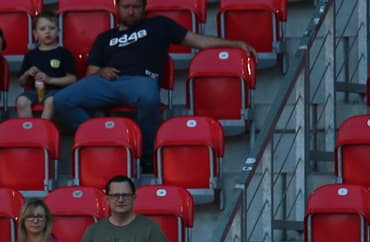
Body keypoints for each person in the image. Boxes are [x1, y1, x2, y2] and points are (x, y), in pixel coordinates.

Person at [49, 0, 252, 172]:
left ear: (144, 7)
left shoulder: (159, 25)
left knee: (149, 97)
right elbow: (90, 73)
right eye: (126, 6)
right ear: (117, 8)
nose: (130, 11)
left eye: (136, 6)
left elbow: (197, 40)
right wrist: (101, 72)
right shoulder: (105, 38)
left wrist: (234, 44)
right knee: (61, 100)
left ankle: (146, 154)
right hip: (106, 81)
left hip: (141, 80)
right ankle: (98, 136)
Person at [74, 175, 172, 242]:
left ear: (134, 198)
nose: (120, 200)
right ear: (106, 199)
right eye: (115, 195)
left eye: (125, 195)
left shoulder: (150, 227)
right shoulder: (93, 230)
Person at [14, 12, 76, 120]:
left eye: (51, 28)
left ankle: (43, 130)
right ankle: (29, 131)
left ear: (58, 32)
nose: (47, 31)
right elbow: (21, 82)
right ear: (35, 34)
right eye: (42, 29)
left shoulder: (64, 54)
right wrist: (28, 73)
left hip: (57, 91)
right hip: (34, 91)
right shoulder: (30, 55)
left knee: (50, 101)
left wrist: (49, 80)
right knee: (21, 101)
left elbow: (72, 79)